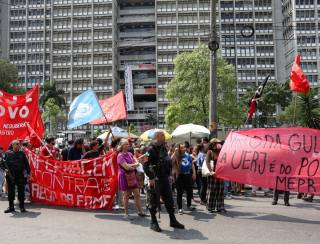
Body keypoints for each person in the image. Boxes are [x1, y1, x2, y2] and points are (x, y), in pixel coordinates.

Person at [144, 130, 184, 232]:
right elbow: (145, 165)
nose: (164, 136)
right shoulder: (150, 150)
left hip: (164, 178)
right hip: (155, 179)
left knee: (169, 201)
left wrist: (170, 173)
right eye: (162, 135)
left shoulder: (163, 148)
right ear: (157, 137)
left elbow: (167, 161)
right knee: (153, 202)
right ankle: (153, 222)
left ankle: (173, 220)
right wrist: (151, 177)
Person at [117, 139, 146, 219]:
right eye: (126, 144)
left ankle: (140, 212)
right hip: (124, 177)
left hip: (132, 176)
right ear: (121, 146)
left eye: (128, 144)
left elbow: (135, 162)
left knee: (137, 194)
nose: (128, 145)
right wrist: (135, 165)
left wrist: (132, 165)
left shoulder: (130, 154)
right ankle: (126, 214)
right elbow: (127, 167)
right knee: (126, 195)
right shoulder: (120, 155)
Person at [0, 140, 30, 213]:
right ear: (13, 145)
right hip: (10, 176)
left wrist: (28, 173)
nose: (18, 145)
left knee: (21, 192)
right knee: (10, 192)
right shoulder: (7, 153)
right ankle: (11, 207)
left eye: (19, 144)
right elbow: (2, 163)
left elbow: (26, 164)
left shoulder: (22, 154)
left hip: (20, 175)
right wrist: (5, 170)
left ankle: (22, 207)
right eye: (17, 144)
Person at [172, 144, 196, 215]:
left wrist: (194, 173)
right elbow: (171, 161)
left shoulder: (187, 155)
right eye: (182, 148)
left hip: (188, 175)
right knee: (180, 192)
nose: (184, 149)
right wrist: (174, 152)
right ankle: (180, 208)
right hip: (180, 176)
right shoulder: (176, 155)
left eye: (184, 147)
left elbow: (192, 164)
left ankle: (189, 205)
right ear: (179, 149)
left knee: (189, 191)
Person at [206, 138, 226, 213]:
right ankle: (210, 207)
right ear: (213, 144)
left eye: (219, 143)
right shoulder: (210, 152)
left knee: (220, 191)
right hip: (213, 174)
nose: (219, 144)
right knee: (212, 190)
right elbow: (207, 162)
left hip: (221, 174)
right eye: (217, 143)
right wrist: (211, 171)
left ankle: (220, 207)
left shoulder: (222, 151)